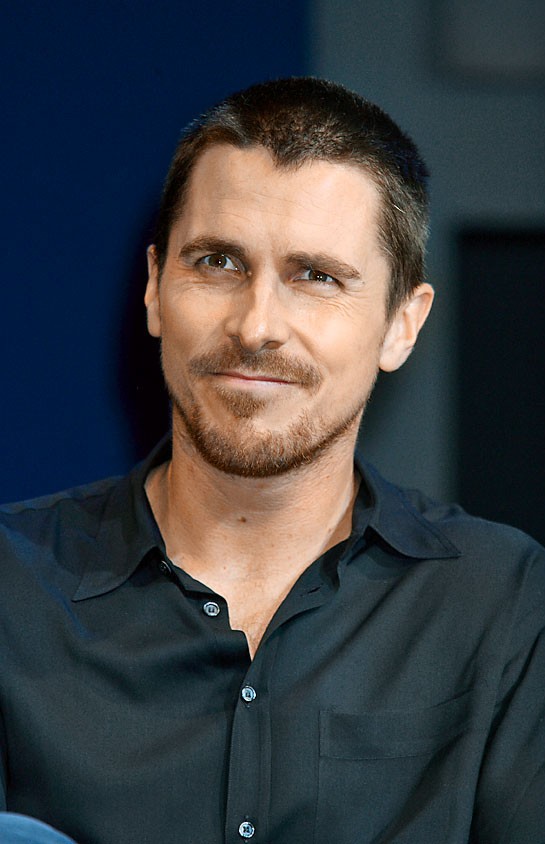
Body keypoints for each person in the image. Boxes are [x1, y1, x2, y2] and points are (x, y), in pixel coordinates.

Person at [1, 77, 544, 844]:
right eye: (218, 262)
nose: (256, 326)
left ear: (401, 324)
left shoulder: (502, 604)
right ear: (154, 288)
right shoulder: (11, 591)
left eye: (316, 276)